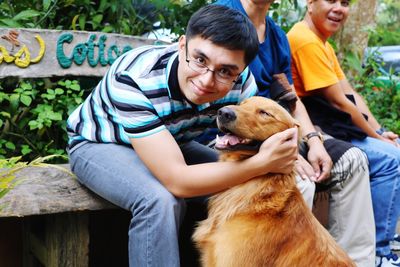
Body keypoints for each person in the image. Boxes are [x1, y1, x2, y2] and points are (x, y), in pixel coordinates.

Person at [66, 5, 299, 267]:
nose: (207, 80)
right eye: (200, 59)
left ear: (241, 69)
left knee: (256, 183)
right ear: (182, 45)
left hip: (173, 141)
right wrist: (261, 163)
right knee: (159, 200)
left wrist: (287, 154)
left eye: (225, 71)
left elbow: (260, 133)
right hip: (99, 145)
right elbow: (178, 181)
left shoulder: (241, 83)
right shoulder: (135, 78)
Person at [213, 0, 376, 265]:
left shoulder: (276, 35)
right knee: (300, 182)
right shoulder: (223, 14)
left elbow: (290, 98)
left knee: (353, 161)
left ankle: (357, 261)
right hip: (242, 129)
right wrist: (285, 151)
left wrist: (312, 141)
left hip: (281, 125)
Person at [287, 0, 400, 266]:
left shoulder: (322, 42)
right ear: (310, 3)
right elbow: (339, 102)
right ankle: (380, 252)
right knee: (389, 159)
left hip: (336, 126)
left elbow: (351, 94)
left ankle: (380, 242)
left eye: (346, 3)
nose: (339, 9)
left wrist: (381, 131)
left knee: (390, 148)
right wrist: (378, 138)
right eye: (332, 1)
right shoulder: (304, 40)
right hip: (318, 129)